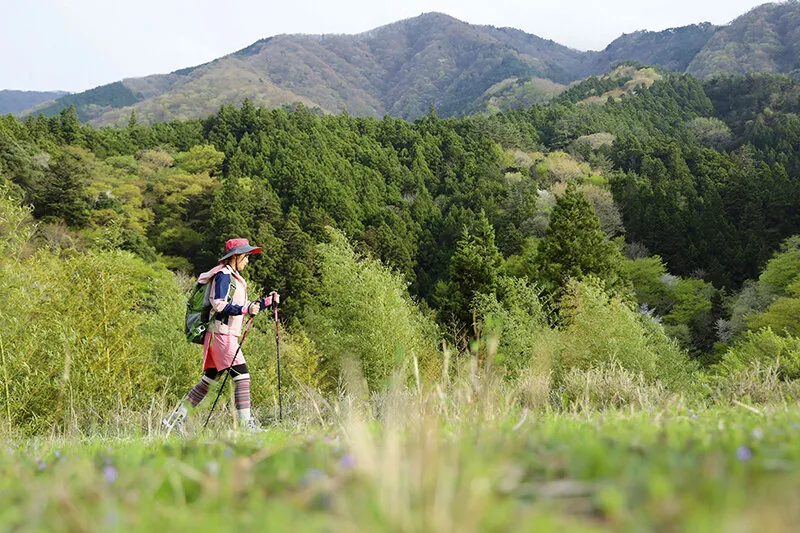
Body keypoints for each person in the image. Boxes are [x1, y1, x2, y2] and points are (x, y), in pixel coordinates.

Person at [163, 238, 279, 434]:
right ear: (235, 257)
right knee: (242, 376)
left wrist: (266, 302)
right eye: (246, 256)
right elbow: (219, 305)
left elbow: (241, 305)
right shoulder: (223, 275)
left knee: (209, 381)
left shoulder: (233, 276)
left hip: (222, 335)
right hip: (221, 335)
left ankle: (173, 421)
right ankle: (245, 425)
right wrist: (245, 308)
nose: (248, 261)